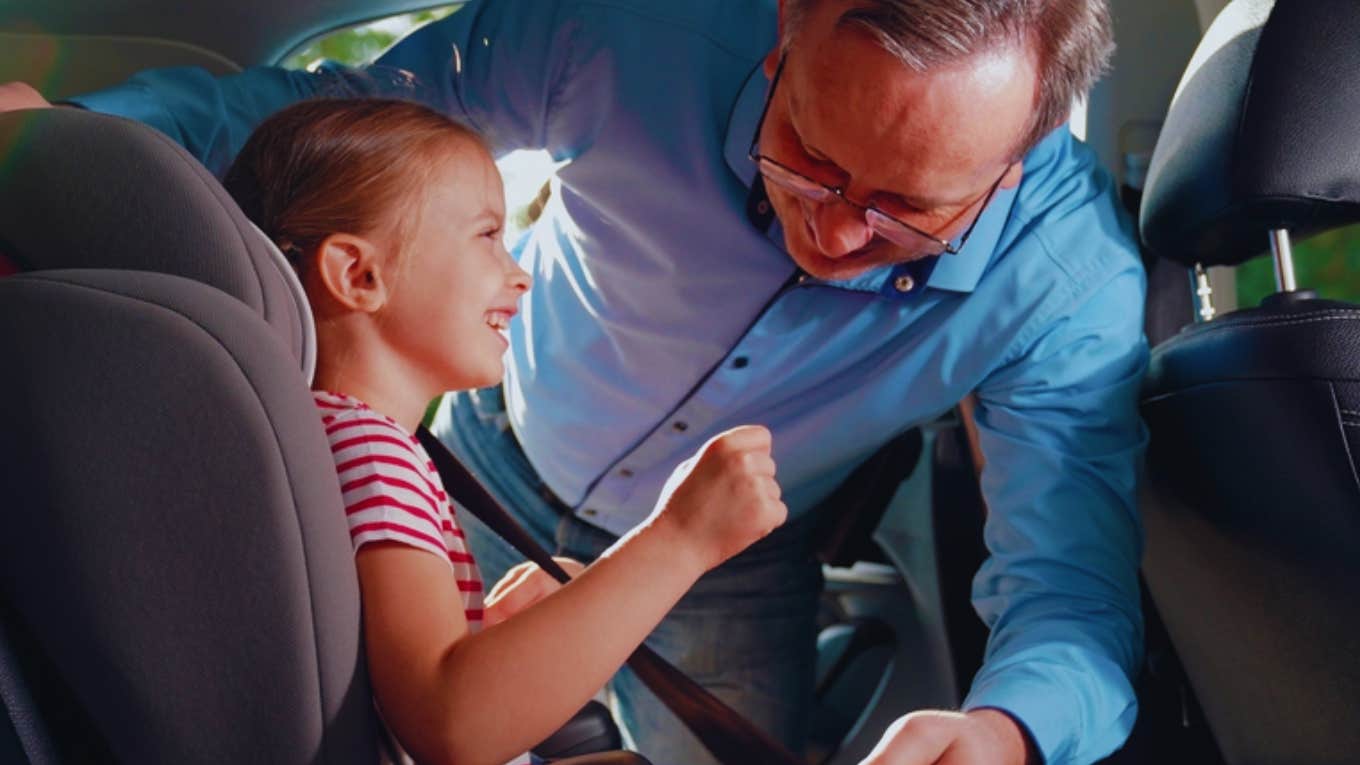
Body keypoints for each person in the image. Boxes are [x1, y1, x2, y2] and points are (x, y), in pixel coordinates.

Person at [0, 1, 1149, 763]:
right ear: (786, 24)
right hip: (490, 461)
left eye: (909, 208)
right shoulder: (634, 27)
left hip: (729, 579)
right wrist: (72, 145)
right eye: (808, 154)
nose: (839, 234)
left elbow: (1072, 590)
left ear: (1021, 156)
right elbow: (325, 133)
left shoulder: (1072, 288)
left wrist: (1006, 731)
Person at [219, 96, 788, 765]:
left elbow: (375, 663)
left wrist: (491, 629)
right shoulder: (373, 454)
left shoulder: (324, 433)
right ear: (359, 274)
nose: (518, 275)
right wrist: (682, 537)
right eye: (488, 235)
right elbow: (450, 720)